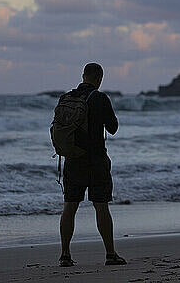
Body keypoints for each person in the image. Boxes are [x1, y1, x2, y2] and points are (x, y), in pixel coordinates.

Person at [58, 63, 127, 267]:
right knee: (101, 206)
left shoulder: (66, 98)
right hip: (96, 160)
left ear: (83, 76)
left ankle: (65, 255)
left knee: (69, 207)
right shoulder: (99, 98)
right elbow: (113, 128)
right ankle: (110, 254)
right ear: (99, 78)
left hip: (72, 159)